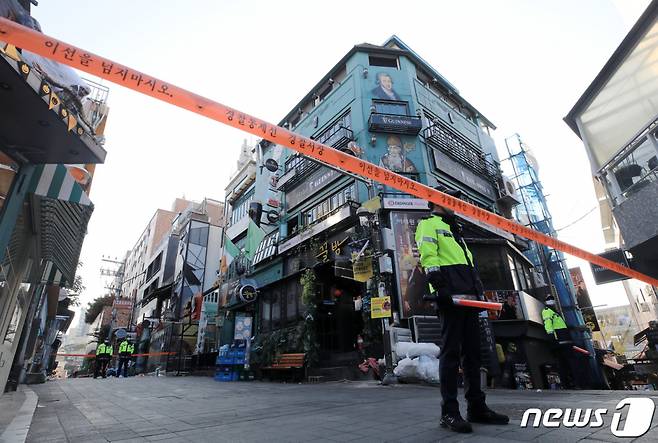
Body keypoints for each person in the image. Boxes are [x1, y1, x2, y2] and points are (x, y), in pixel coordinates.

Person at [415, 186, 509, 433]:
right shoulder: (428, 225)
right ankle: (449, 412)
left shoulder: (455, 231)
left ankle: (477, 408)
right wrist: (440, 288)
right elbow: (429, 258)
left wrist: (480, 297)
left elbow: (469, 267)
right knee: (450, 354)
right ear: (436, 201)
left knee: (473, 354)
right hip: (451, 300)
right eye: (450, 200)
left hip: (470, 301)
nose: (455, 204)